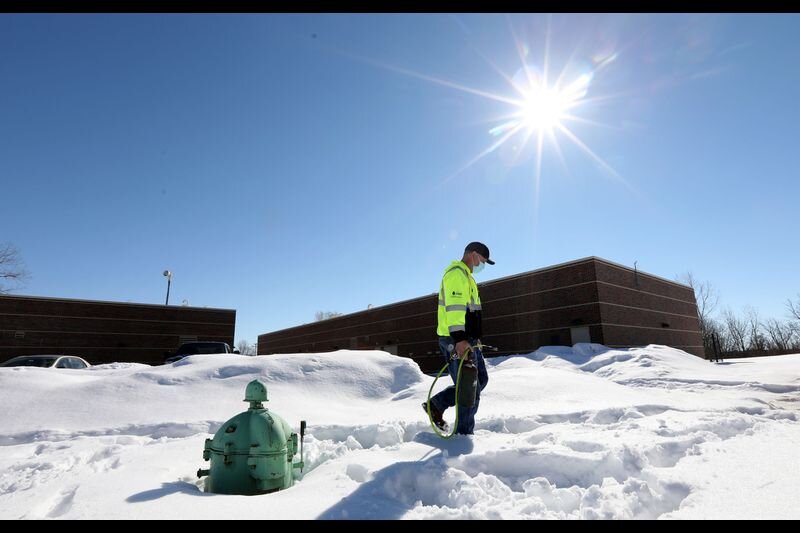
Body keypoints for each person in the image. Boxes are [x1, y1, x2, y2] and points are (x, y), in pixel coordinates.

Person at [422, 241, 494, 435]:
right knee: (469, 389)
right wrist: (460, 340)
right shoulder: (456, 274)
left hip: (469, 341)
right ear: (473, 255)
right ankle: (463, 435)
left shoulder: (467, 277)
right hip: (456, 341)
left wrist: (474, 339)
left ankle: (436, 405)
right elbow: (454, 310)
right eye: (483, 261)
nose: (482, 266)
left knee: (480, 380)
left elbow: (470, 312)